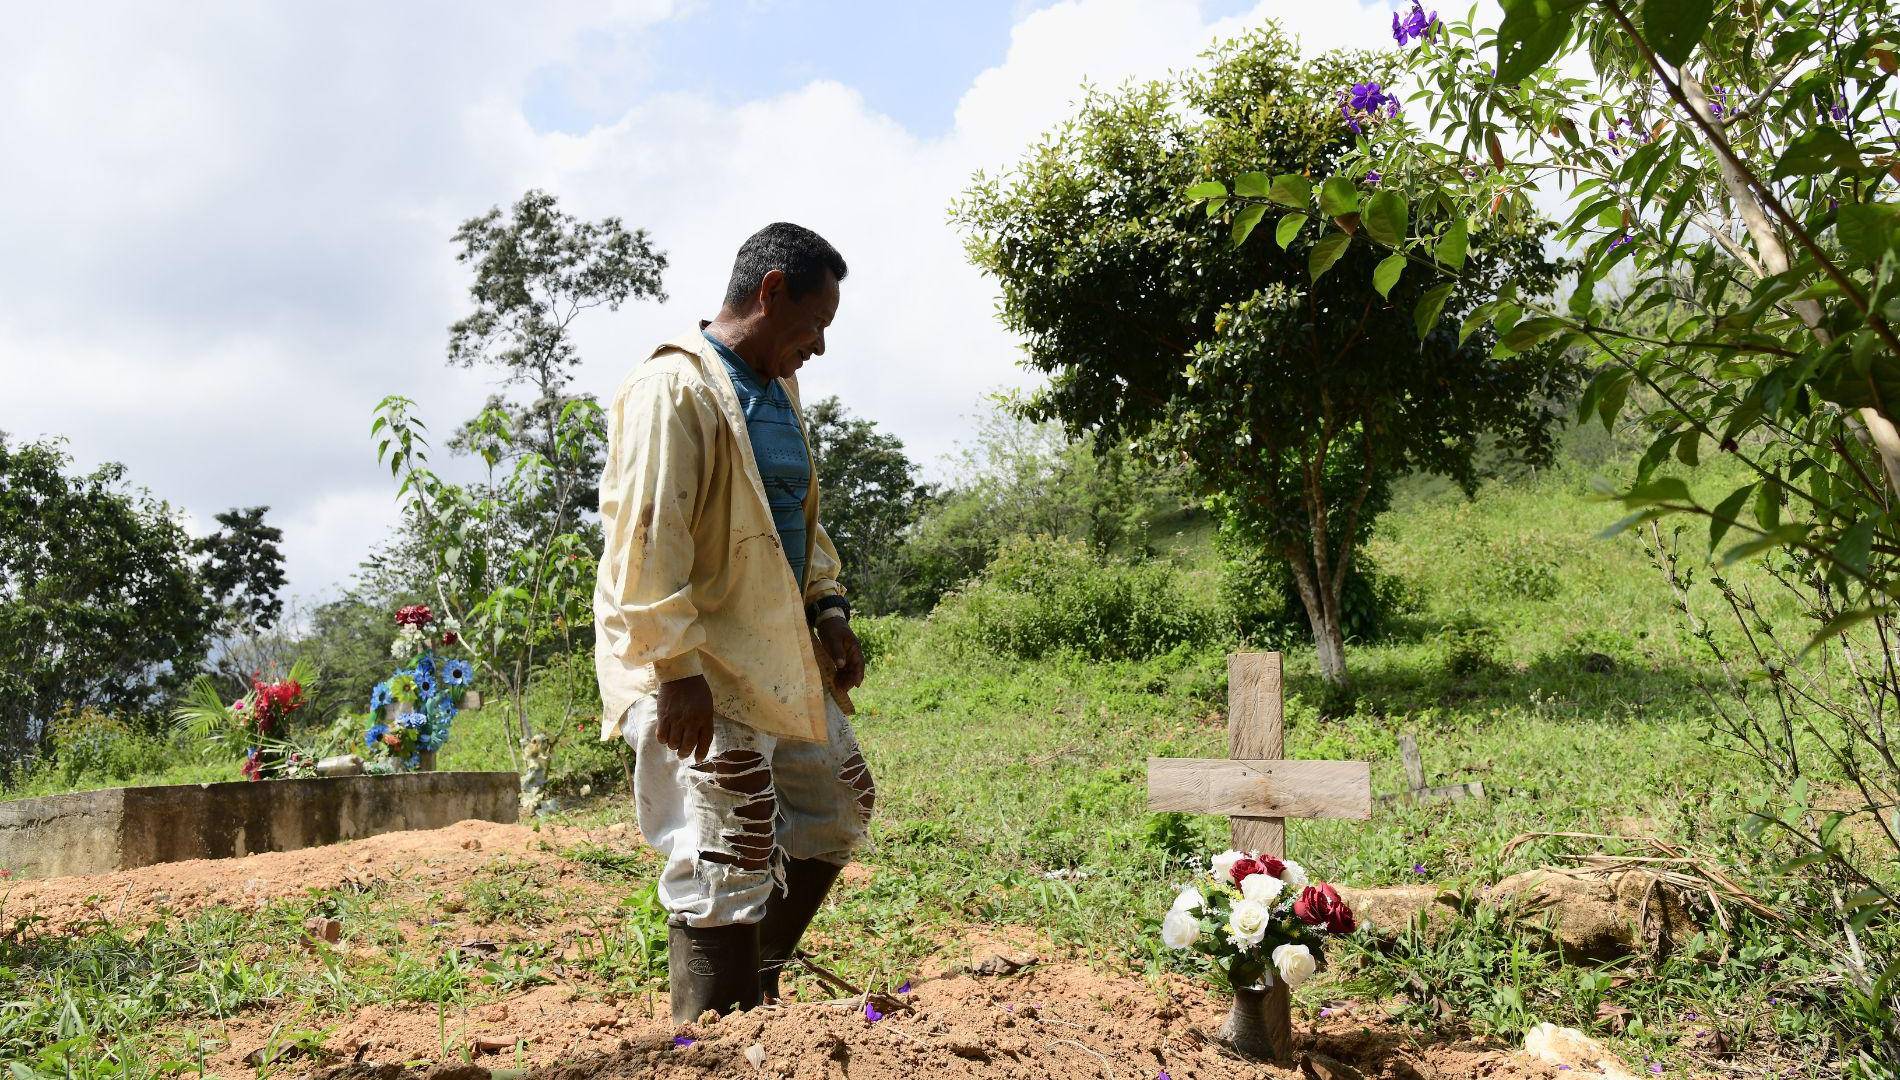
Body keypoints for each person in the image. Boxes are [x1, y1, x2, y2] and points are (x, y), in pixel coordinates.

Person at [594, 222, 873, 1024]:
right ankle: (709, 1040)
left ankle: (753, 995)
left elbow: (795, 515)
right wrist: (675, 672)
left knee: (838, 805)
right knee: (725, 849)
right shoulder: (675, 389)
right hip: (700, 665)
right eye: (814, 323)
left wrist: (828, 609)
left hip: (775, 652)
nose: (818, 346)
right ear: (771, 290)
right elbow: (647, 537)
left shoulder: (778, 391)